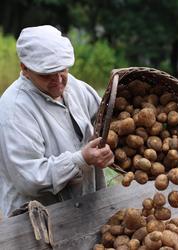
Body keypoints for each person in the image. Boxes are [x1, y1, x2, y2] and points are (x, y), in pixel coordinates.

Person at [0, 25, 114, 217]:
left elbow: (105, 122)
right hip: (37, 222)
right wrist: (81, 159)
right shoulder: (14, 109)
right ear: (25, 69)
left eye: (62, 70)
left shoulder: (76, 88)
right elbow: (29, 179)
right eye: (46, 74)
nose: (58, 80)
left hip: (85, 208)